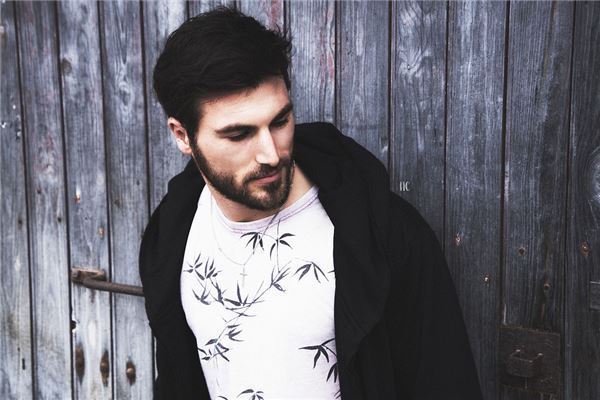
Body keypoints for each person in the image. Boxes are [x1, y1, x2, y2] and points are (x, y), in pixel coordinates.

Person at [139, 5, 483, 400]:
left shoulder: (384, 236)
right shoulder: (173, 233)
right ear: (183, 136)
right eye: (239, 135)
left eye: (280, 121)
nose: (270, 154)